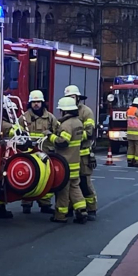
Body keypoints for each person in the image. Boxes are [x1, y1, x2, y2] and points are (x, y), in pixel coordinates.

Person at [13, 90, 58, 215]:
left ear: (42, 103)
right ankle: (26, 204)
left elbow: (58, 131)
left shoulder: (50, 117)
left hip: (45, 153)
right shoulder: (23, 117)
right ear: (30, 103)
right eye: (34, 102)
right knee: (29, 178)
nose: (36, 104)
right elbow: (16, 132)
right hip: (28, 155)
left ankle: (45, 204)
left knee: (47, 179)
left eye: (38, 102)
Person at [50, 96, 87, 224]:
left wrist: (51, 136)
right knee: (75, 187)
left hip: (64, 164)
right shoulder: (78, 122)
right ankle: (81, 210)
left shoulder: (66, 125)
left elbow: (63, 142)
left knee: (62, 191)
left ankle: (60, 215)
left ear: (65, 111)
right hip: (75, 162)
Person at [65, 85, 98, 220]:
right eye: (68, 97)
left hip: (83, 154)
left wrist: (74, 135)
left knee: (84, 183)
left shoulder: (86, 112)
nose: (70, 100)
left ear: (78, 98)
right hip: (69, 154)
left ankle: (91, 209)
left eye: (72, 97)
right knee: (68, 183)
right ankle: (70, 208)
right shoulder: (64, 111)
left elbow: (89, 132)